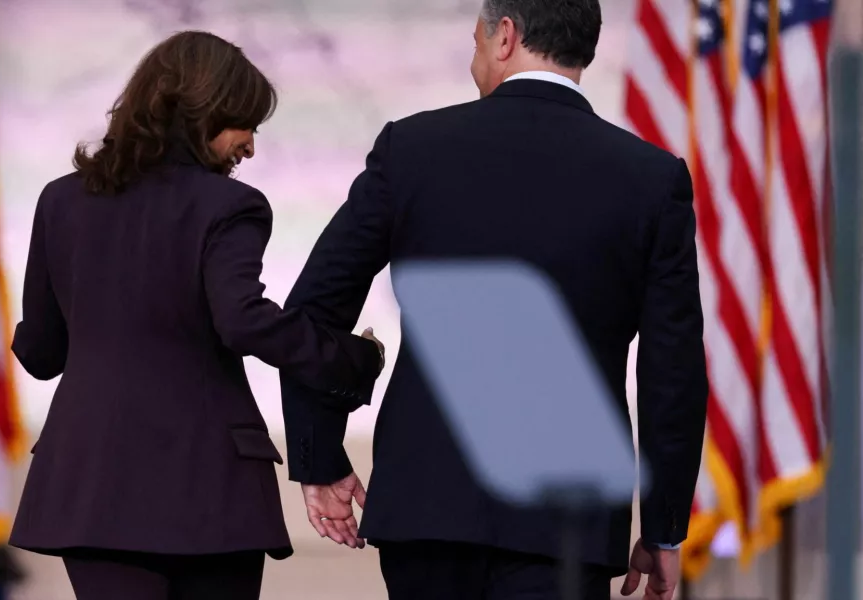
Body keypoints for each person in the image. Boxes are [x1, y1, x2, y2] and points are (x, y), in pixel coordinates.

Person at [279, 1, 709, 599]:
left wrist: (319, 454)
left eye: (476, 41)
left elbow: (312, 314)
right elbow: (673, 369)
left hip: (427, 509)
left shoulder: (413, 150)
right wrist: (662, 527)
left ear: (504, 36)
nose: (474, 57)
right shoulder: (652, 179)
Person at [7, 31, 384, 600]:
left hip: (92, 486)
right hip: (209, 491)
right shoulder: (230, 205)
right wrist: (354, 358)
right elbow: (243, 319)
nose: (251, 146)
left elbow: (39, 353)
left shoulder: (60, 200)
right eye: (244, 124)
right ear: (199, 111)